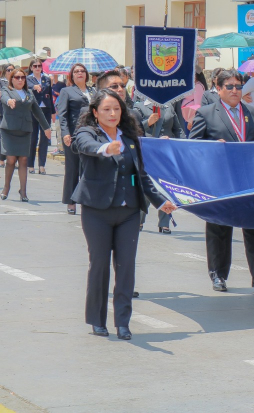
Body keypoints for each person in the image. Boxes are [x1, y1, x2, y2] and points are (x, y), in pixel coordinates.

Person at [73, 90, 176, 340]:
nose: (112, 114)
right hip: (97, 211)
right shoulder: (88, 133)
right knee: (99, 265)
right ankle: (98, 320)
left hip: (129, 212)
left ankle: (123, 322)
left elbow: (142, 176)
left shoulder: (131, 138)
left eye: (116, 109)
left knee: (126, 267)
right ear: (95, 113)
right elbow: (85, 146)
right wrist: (106, 148)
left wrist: (161, 202)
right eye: (106, 109)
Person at [189, 70, 254, 292]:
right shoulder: (207, 114)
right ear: (218, 89)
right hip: (219, 180)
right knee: (219, 227)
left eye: (238, 86)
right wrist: (212, 148)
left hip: (248, 178)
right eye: (229, 86)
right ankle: (218, 275)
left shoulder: (253, 112)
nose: (235, 90)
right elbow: (194, 147)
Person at [131, 72, 185, 234]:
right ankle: (139, 220)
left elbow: (178, 129)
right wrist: (148, 122)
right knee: (148, 186)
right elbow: (134, 130)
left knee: (165, 187)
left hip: (166, 153)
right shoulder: (139, 106)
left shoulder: (169, 106)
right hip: (148, 152)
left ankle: (164, 222)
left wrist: (180, 144)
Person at [0, 68, 51, 201]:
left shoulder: (28, 93)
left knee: (23, 160)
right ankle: (6, 187)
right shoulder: (7, 90)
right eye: (17, 77)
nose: (20, 80)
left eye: (22, 77)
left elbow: (37, 111)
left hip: (25, 130)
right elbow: (4, 98)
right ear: (12, 79)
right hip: (9, 130)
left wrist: (46, 127)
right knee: (10, 160)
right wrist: (9, 101)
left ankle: (23, 191)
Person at [57, 63, 95, 215]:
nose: (80, 73)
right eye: (76, 71)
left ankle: (88, 201)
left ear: (86, 74)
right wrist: (65, 133)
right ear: (72, 76)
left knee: (89, 169)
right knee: (72, 169)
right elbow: (63, 114)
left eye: (82, 71)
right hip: (73, 135)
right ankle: (71, 202)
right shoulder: (67, 91)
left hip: (91, 134)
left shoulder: (93, 91)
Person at [26, 58, 53, 175]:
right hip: (33, 110)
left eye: (39, 66)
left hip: (45, 110)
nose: (37, 68)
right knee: (33, 138)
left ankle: (42, 165)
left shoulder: (46, 78)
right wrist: (34, 87)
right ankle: (30, 165)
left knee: (44, 138)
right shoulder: (28, 79)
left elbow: (49, 94)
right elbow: (27, 89)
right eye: (35, 66)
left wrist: (53, 111)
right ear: (31, 68)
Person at [0, 65, 15, 167]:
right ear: (5, 71)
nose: (10, 71)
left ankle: (13, 157)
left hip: (14, 112)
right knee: (2, 136)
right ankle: (1, 158)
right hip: (2, 111)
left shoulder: (17, 82)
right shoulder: (2, 82)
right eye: (8, 70)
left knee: (13, 136)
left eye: (12, 70)